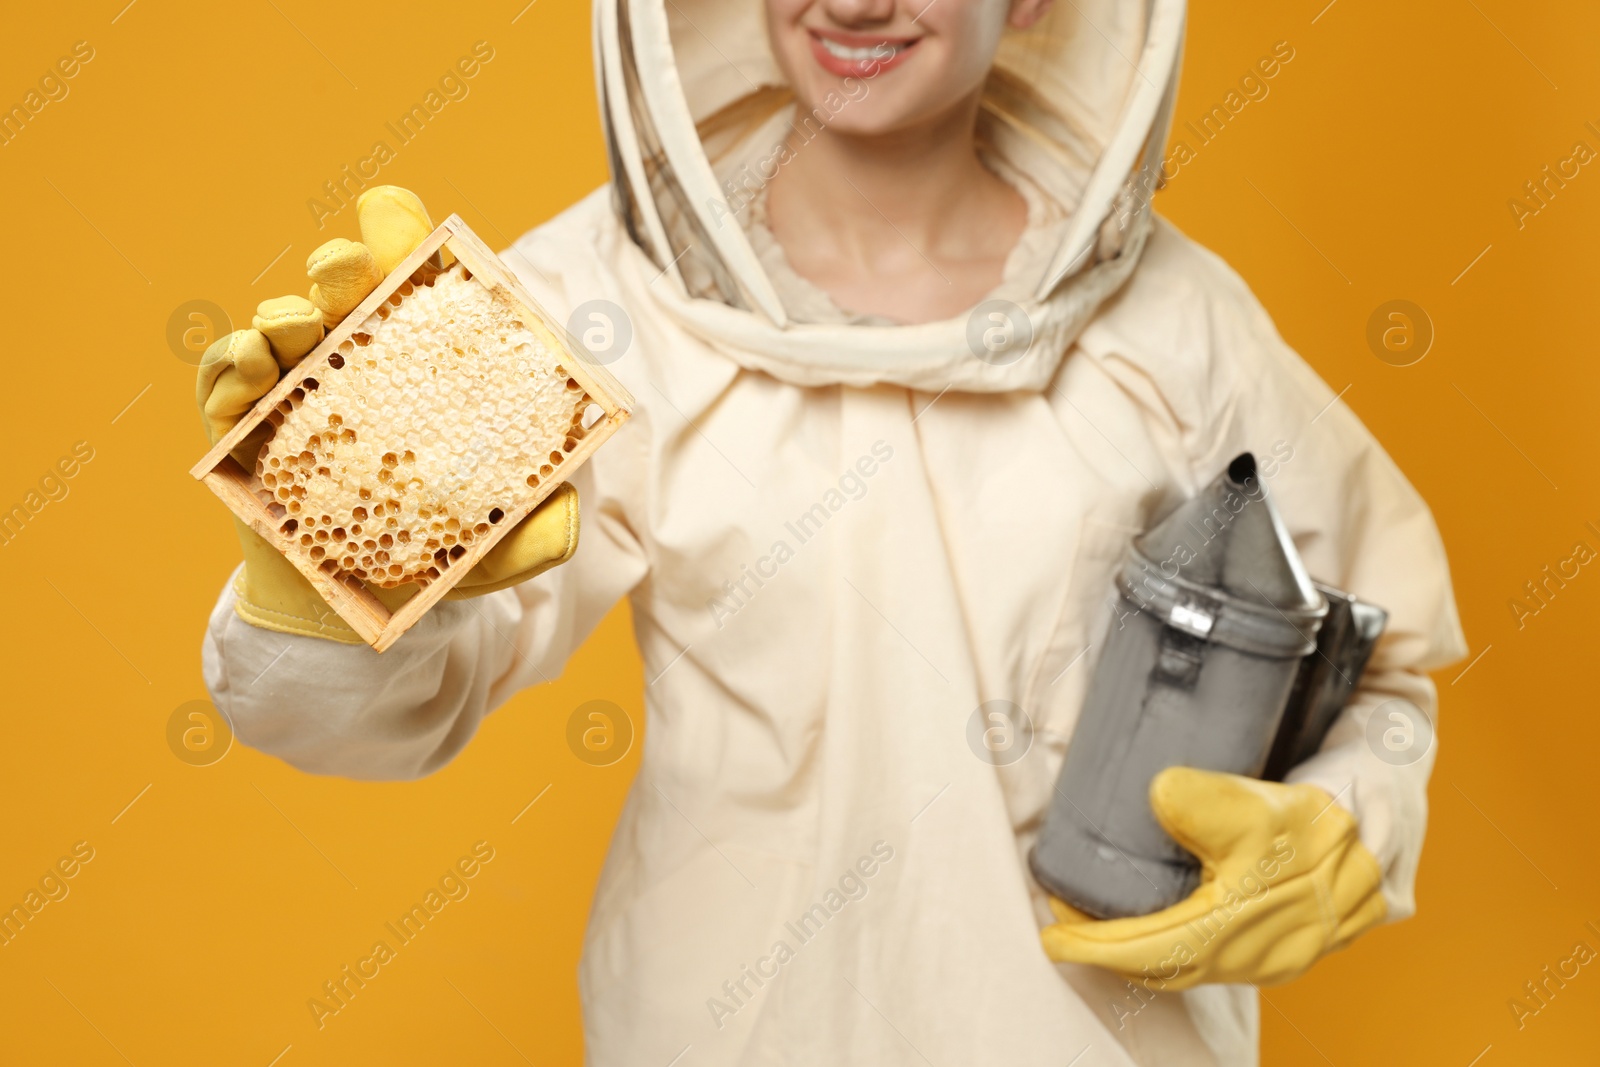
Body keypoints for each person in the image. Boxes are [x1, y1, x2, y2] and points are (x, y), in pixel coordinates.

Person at [197, 0, 1466, 1062]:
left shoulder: (1178, 322)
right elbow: (369, 709)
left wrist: (1348, 820)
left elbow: (1380, 659)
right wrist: (325, 582)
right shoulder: (588, 302)